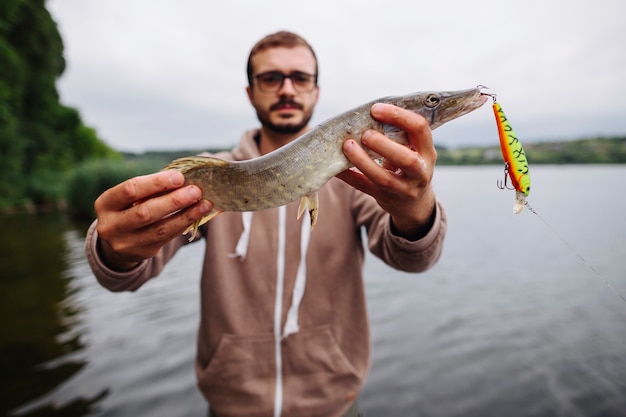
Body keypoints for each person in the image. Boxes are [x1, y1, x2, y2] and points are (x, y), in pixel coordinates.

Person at [85, 30, 447, 417]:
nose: (287, 89)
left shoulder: (360, 176)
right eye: (271, 78)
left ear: (316, 91)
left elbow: (413, 259)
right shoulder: (210, 171)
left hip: (333, 405)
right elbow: (125, 275)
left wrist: (416, 209)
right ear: (251, 92)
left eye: (300, 78)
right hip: (232, 406)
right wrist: (112, 248)